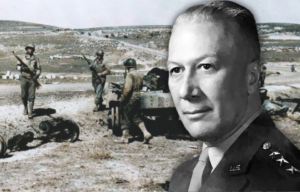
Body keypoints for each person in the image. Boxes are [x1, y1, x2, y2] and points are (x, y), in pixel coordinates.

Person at [167, 1, 300, 191]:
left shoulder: (286, 183)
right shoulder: (183, 176)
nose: (185, 92)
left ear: (251, 77)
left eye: (206, 67)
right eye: (176, 69)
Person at [114, 58, 152, 144]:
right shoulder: (140, 74)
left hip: (130, 97)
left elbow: (127, 89)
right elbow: (142, 86)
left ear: (127, 66)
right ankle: (146, 133)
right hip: (138, 96)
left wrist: (122, 99)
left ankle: (125, 137)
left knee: (125, 116)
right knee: (135, 116)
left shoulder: (130, 75)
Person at [16, 44, 41, 119]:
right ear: (26, 49)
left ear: (33, 50)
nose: (30, 50)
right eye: (29, 49)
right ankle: (25, 108)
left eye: (32, 49)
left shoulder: (36, 58)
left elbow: (39, 69)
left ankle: (30, 112)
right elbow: (18, 66)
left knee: (31, 97)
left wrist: (36, 76)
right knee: (24, 96)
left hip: (32, 79)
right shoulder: (22, 58)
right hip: (23, 78)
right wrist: (23, 69)